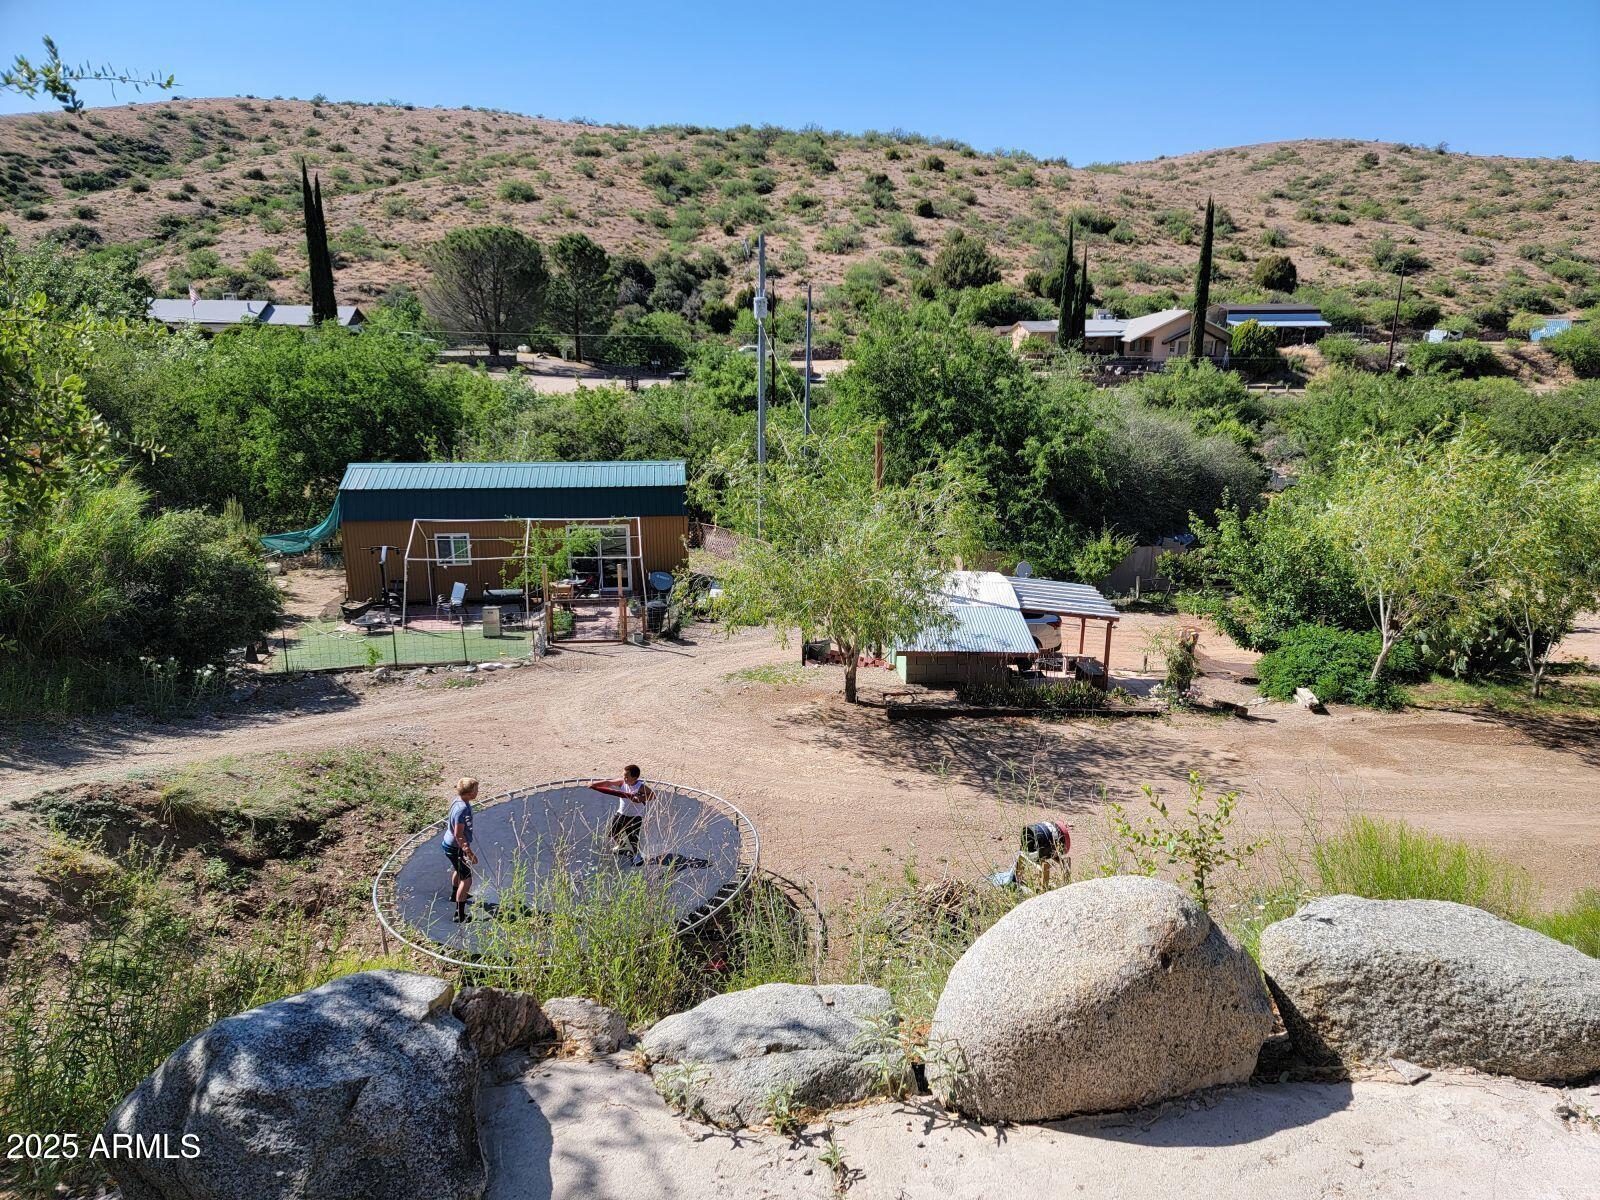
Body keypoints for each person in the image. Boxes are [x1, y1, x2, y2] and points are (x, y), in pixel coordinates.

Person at [591, 765, 654, 863]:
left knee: (633, 838)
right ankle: (622, 846)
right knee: (614, 833)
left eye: (627, 777)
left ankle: (637, 855)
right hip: (621, 813)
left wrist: (640, 799)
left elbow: (652, 795)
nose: (624, 778)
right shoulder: (622, 782)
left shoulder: (640, 787)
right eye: (624, 776)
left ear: (635, 778)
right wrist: (594, 784)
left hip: (634, 817)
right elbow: (608, 783)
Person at [441, 776, 479, 923]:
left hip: (450, 843)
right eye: (476, 790)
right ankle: (459, 914)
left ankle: (454, 894)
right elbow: (459, 835)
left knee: (458, 868)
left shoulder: (458, 800)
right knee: (467, 879)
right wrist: (470, 853)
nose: (477, 792)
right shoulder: (462, 809)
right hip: (454, 846)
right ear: (469, 793)